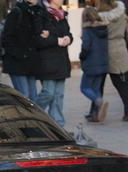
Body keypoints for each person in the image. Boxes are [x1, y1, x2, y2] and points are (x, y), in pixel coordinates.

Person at [34, 0, 72, 128]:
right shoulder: (42, 14)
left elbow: (67, 32)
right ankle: (32, 115)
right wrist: (56, 40)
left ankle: (58, 125)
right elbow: (38, 39)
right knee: (48, 92)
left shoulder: (62, 15)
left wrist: (68, 38)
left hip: (61, 60)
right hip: (47, 60)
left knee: (59, 94)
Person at [96, 0, 128, 121]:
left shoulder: (98, 18)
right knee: (120, 81)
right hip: (120, 48)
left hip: (103, 50)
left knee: (99, 83)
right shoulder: (122, 14)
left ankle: (96, 111)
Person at [1, 0, 42, 100]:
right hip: (17, 63)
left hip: (30, 63)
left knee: (33, 98)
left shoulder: (36, 12)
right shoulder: (17, 12)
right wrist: (20, 54)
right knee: (24, 97)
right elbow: (6, 38)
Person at [80, 7, 109, 123]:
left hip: (91, 63)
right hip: (103, 63)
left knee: (84, 88)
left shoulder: (87, 30)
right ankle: (96, 115)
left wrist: (82, 56)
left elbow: (86, 46)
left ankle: (100, 102)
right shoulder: (104, 28)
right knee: (96, 88)